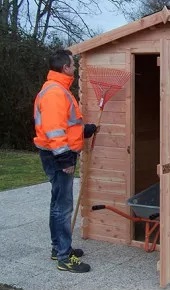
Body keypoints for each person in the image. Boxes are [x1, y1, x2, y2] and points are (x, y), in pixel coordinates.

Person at [33, 49, 97, 273]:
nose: (75, 67)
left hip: (58, 152)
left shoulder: (58, 90)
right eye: (73, 64)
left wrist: (84, 131)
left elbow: (66, 124)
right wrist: (65, 158)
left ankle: (58, 248)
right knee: (63, 207)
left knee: (57, 204)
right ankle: (64, 257)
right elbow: (54, 130)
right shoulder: (55, 93)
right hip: (58, 155)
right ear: (65, 68)